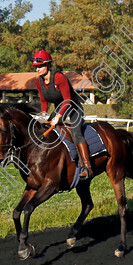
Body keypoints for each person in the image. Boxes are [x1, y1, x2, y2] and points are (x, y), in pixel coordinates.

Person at [31, 50, 93, 179]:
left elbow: (67, 100)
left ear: (48, 65)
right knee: (48, 131)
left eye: (40, 66)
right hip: (60, 108)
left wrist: (58, 117)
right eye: (36, 67)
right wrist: (43, 114)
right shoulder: (39, 82)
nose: (37, 69)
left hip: (73, 106)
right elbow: (43, 101)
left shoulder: (59, 77)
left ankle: (87, 167)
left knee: (76, 133)